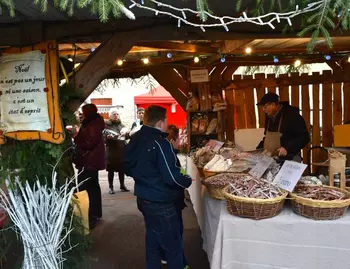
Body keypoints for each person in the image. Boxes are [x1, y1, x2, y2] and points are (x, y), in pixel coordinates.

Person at [124, 106, 192, 269]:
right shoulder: (161, 143)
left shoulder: (135, 138)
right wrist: (187, 180)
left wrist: (145, 177)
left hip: (143, 198)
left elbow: (126, 167)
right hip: (161, 201)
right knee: (173, 248)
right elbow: (172, 177)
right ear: (161, 122)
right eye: (166, 120)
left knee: (153, 242)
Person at [74, 104, 106, 230]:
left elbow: (89, 142)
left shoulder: (92, 124)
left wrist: (76, 138)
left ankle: (90, 216)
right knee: (93, 187)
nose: (81, 115)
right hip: (91, 161)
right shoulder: (94, 122)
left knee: (85, 189)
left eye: (82, 112)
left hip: (89, 161)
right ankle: (95, 213)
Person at [256, 92, 310, 160]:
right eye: (262, 107)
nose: (263, 110)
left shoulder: (292, 115)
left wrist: (287, 148)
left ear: (273, 104)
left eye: (265, 107)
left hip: (290, 157)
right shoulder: (269, 117)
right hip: (273, 158)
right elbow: (267, 137)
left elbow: (304, 137)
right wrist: (258, 149)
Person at [105, 108, 129, 193]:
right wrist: (107, 137)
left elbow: (126, 137)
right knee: (110, 170)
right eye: (114, 114)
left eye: (117, 114)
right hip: (111, 150)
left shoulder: (121, 125)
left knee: (121, 169)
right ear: (110, 116)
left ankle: (122, 185)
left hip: (121, 150)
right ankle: (110, 187)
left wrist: (126, 134)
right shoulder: (106, 125)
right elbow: (102, 137)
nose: (116, 116)